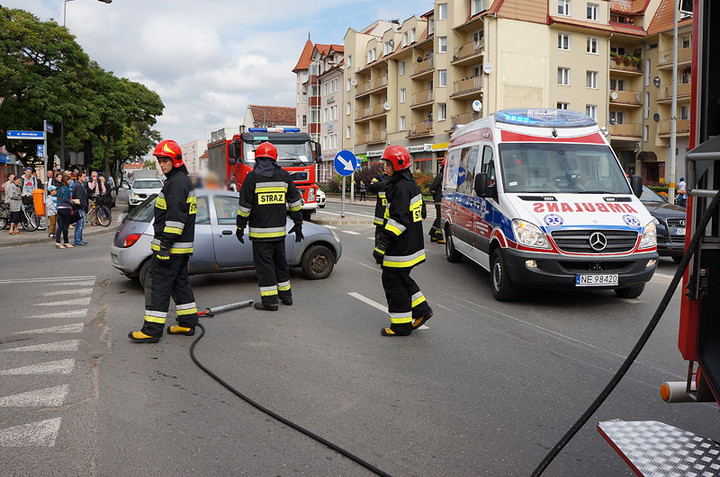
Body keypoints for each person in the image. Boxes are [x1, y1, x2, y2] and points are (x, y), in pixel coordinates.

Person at [129, 139, 198, 343]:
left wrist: (165, 247)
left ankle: (151, 330)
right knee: (180, 283)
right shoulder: (180, 181)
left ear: (175, 160)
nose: (162, 164)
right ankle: (187, 324)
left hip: (171, 248)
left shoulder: (176, 184)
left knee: (158, 285)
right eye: (160, 161)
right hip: (181, 248)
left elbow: (176, 220)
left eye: (165, 160)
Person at [373, 145, 433, 337]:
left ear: (398, 164)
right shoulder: (410, 184)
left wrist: (382, 244)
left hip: (400, 247)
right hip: (412, 244)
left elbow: (398, 220)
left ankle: (401, 325)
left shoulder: (400, 187)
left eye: (387, 164)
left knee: (392, 281)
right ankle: (421, 309)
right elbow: (421, 211)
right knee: (402, 278)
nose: (385, 168)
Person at [236, 141, 304, 311]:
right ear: (275, 158)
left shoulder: (252, 178)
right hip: (279, 232)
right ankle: (286, 297)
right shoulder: (284, 176)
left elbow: (245, 206)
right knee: (280, 263)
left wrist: (240, 226)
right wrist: (298, 223)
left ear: (257, 159)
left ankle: (270, 301)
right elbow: (295, 202)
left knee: (265, 266)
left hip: (260, 234)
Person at [368, 171, 389, 246]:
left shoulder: (380, 184)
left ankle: (379, 252)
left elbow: (371, 187)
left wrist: (376, 179)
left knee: (379, 237)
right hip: (391, 218)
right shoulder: (397, 183)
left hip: (380, 217)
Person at [428, 159, 446, 243]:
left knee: (439, 217)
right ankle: (439, 237)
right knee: (440, 218)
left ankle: (433, 234)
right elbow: (432, 188)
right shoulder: (440, 176)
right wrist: (436, 197)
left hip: (443, 200)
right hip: (439, 200)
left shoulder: (446, 176)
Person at [55, 173, 74, 248]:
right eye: (69, 180)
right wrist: (72, 202)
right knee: (65, 225)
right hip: (65, 208)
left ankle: (58, 241)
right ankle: (66, 241)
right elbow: (65, 199)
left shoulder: (59, 188)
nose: (70, 182)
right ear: (67, 180)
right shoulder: (66, 189)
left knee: (60, 226)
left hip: (59, 208)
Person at [72, 171, 88, 246]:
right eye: (83, 176)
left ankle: (79, 239)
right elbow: (78, 198)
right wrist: (83, 205)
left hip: (80, 207)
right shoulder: (78, 186)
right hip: (79, 208)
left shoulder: (79, 185)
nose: (85, 178)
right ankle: (77, 240)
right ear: (79, 177)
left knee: (81, 225)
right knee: (79, 224)